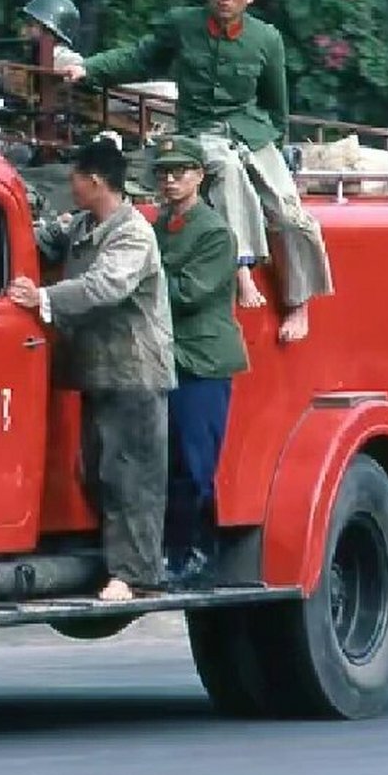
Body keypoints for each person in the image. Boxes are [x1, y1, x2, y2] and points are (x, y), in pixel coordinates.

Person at [56, 0, 333, 343]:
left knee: (290, 214)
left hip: (251, 133)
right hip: (201, 133)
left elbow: (276, 106)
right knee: (225, 169)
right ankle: (241, 270)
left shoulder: (266, 39)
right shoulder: (183, 26)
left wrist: (273, 154)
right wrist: (89, 68)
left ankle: (299, 301)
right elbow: (139, 57)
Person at [6, 135, 173, 602]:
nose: (70, 186)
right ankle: (118, 561)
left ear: (95, 181)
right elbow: (45, 239)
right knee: (98, 471)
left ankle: (137, 573)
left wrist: (42, 298)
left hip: (134, 372)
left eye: (75, 178)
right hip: (99, 371)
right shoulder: (83, 224)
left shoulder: (132, 234)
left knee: (131, 476)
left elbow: (105, 286)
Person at [150, 135, 248, 587]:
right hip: (166, 357)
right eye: (164, 173)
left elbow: (186, 293)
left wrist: (138, 281)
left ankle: (194, 550)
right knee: (166, 461)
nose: (170, 180)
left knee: (194, 463)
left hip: (201, 358)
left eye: (180, 172)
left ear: (199, 176)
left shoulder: (213, 231)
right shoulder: (159, 225)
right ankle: (173, 549)